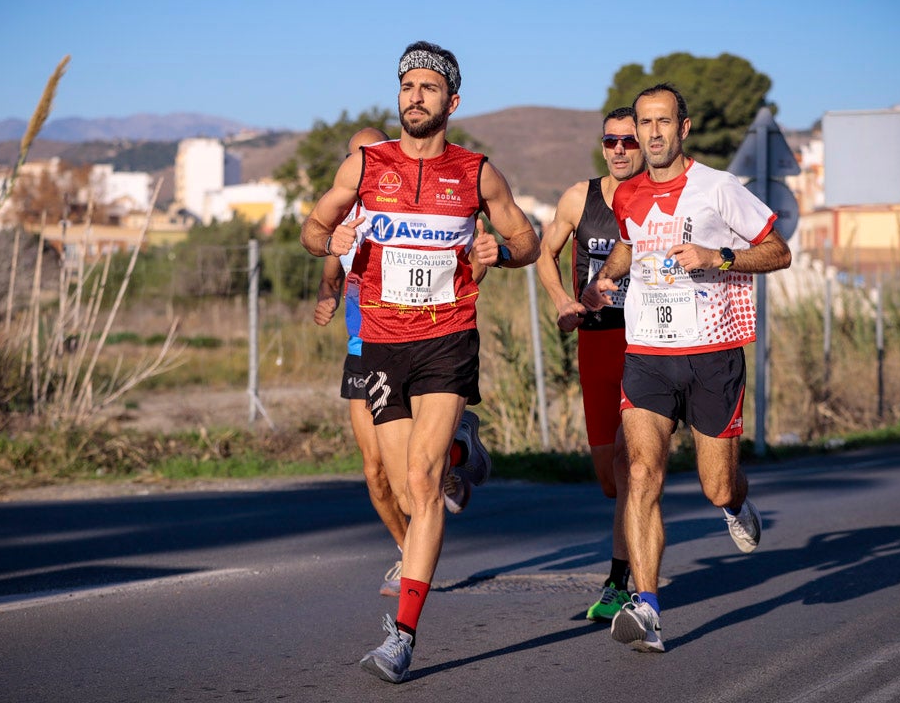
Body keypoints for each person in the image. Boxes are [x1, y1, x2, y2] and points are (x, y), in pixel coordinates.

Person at [301, 40, 540, 683]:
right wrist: (332, 238)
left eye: (429, 88)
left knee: (424, 481)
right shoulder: (364, 166)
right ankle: (465, 442)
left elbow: (527, 240)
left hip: (447, 338)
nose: (415, 96)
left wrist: (502, 255)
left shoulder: (477, 171)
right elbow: (311, 228)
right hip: (380, 343)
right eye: (407, 86)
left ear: (451, 102)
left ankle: (402, 635)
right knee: (402, 479)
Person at [580, 83, 791, 653]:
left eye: (662, 122)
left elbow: (778, 250)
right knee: (642, 474)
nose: (650, 133)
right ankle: (646, 607)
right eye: (644, 123)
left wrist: (718, 256)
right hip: (647, 352)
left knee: (714, 485)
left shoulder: (719, 189)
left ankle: (737, 503)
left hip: (712, 354)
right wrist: (607, 277)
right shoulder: (627, 194)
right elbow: (629, 242)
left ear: (683, 128)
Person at [313, 126, 494, 598]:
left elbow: (451, 260)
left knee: (419, 469)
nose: (370, 162)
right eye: (360, 155)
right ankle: (407, 546)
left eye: (375, 153)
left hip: (426, 339)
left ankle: (451, 456)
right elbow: (331, 267)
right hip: (365, 346)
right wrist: (326, 298)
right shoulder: (345, 211)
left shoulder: (405, 202)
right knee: (377, 473)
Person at [534, 106, 644, 622]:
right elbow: (543, 252)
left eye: (629, 141)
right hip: (597, 343)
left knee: (633, 467)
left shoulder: (660, 199)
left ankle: (623, 581)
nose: (620, 150)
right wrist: (562, 301)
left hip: (649, 345)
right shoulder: (581, 198)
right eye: (611, 141)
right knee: (608, 478)